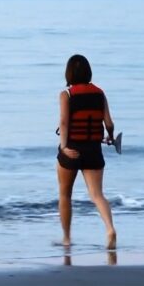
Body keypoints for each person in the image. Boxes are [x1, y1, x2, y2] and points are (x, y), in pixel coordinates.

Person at [56, 54, 117, 249]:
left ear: (69, 73)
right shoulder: (100, 93)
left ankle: (66, 239)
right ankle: (109, 229)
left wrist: (64, 147)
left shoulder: (67, 94)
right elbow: (109, 123)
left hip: (72, 149)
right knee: (97, 194)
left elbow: (64, 123)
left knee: (65, 194)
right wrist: (111, 136)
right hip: (93, 149)